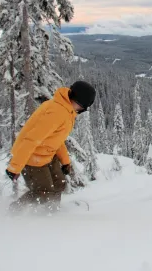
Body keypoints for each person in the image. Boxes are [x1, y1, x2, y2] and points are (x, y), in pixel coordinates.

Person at [5, 80, 96, 212]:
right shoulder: (57, 112)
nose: (82, 111)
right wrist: (15, 166)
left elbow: (57, 139)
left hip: (46, 153)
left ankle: (52, 211)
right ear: (79, 102)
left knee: (60, 183)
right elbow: (31, 139)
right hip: (32, 157)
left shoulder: (66, 110)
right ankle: (15, 210)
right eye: (83, 107)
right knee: (43, 193)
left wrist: (65, 162)